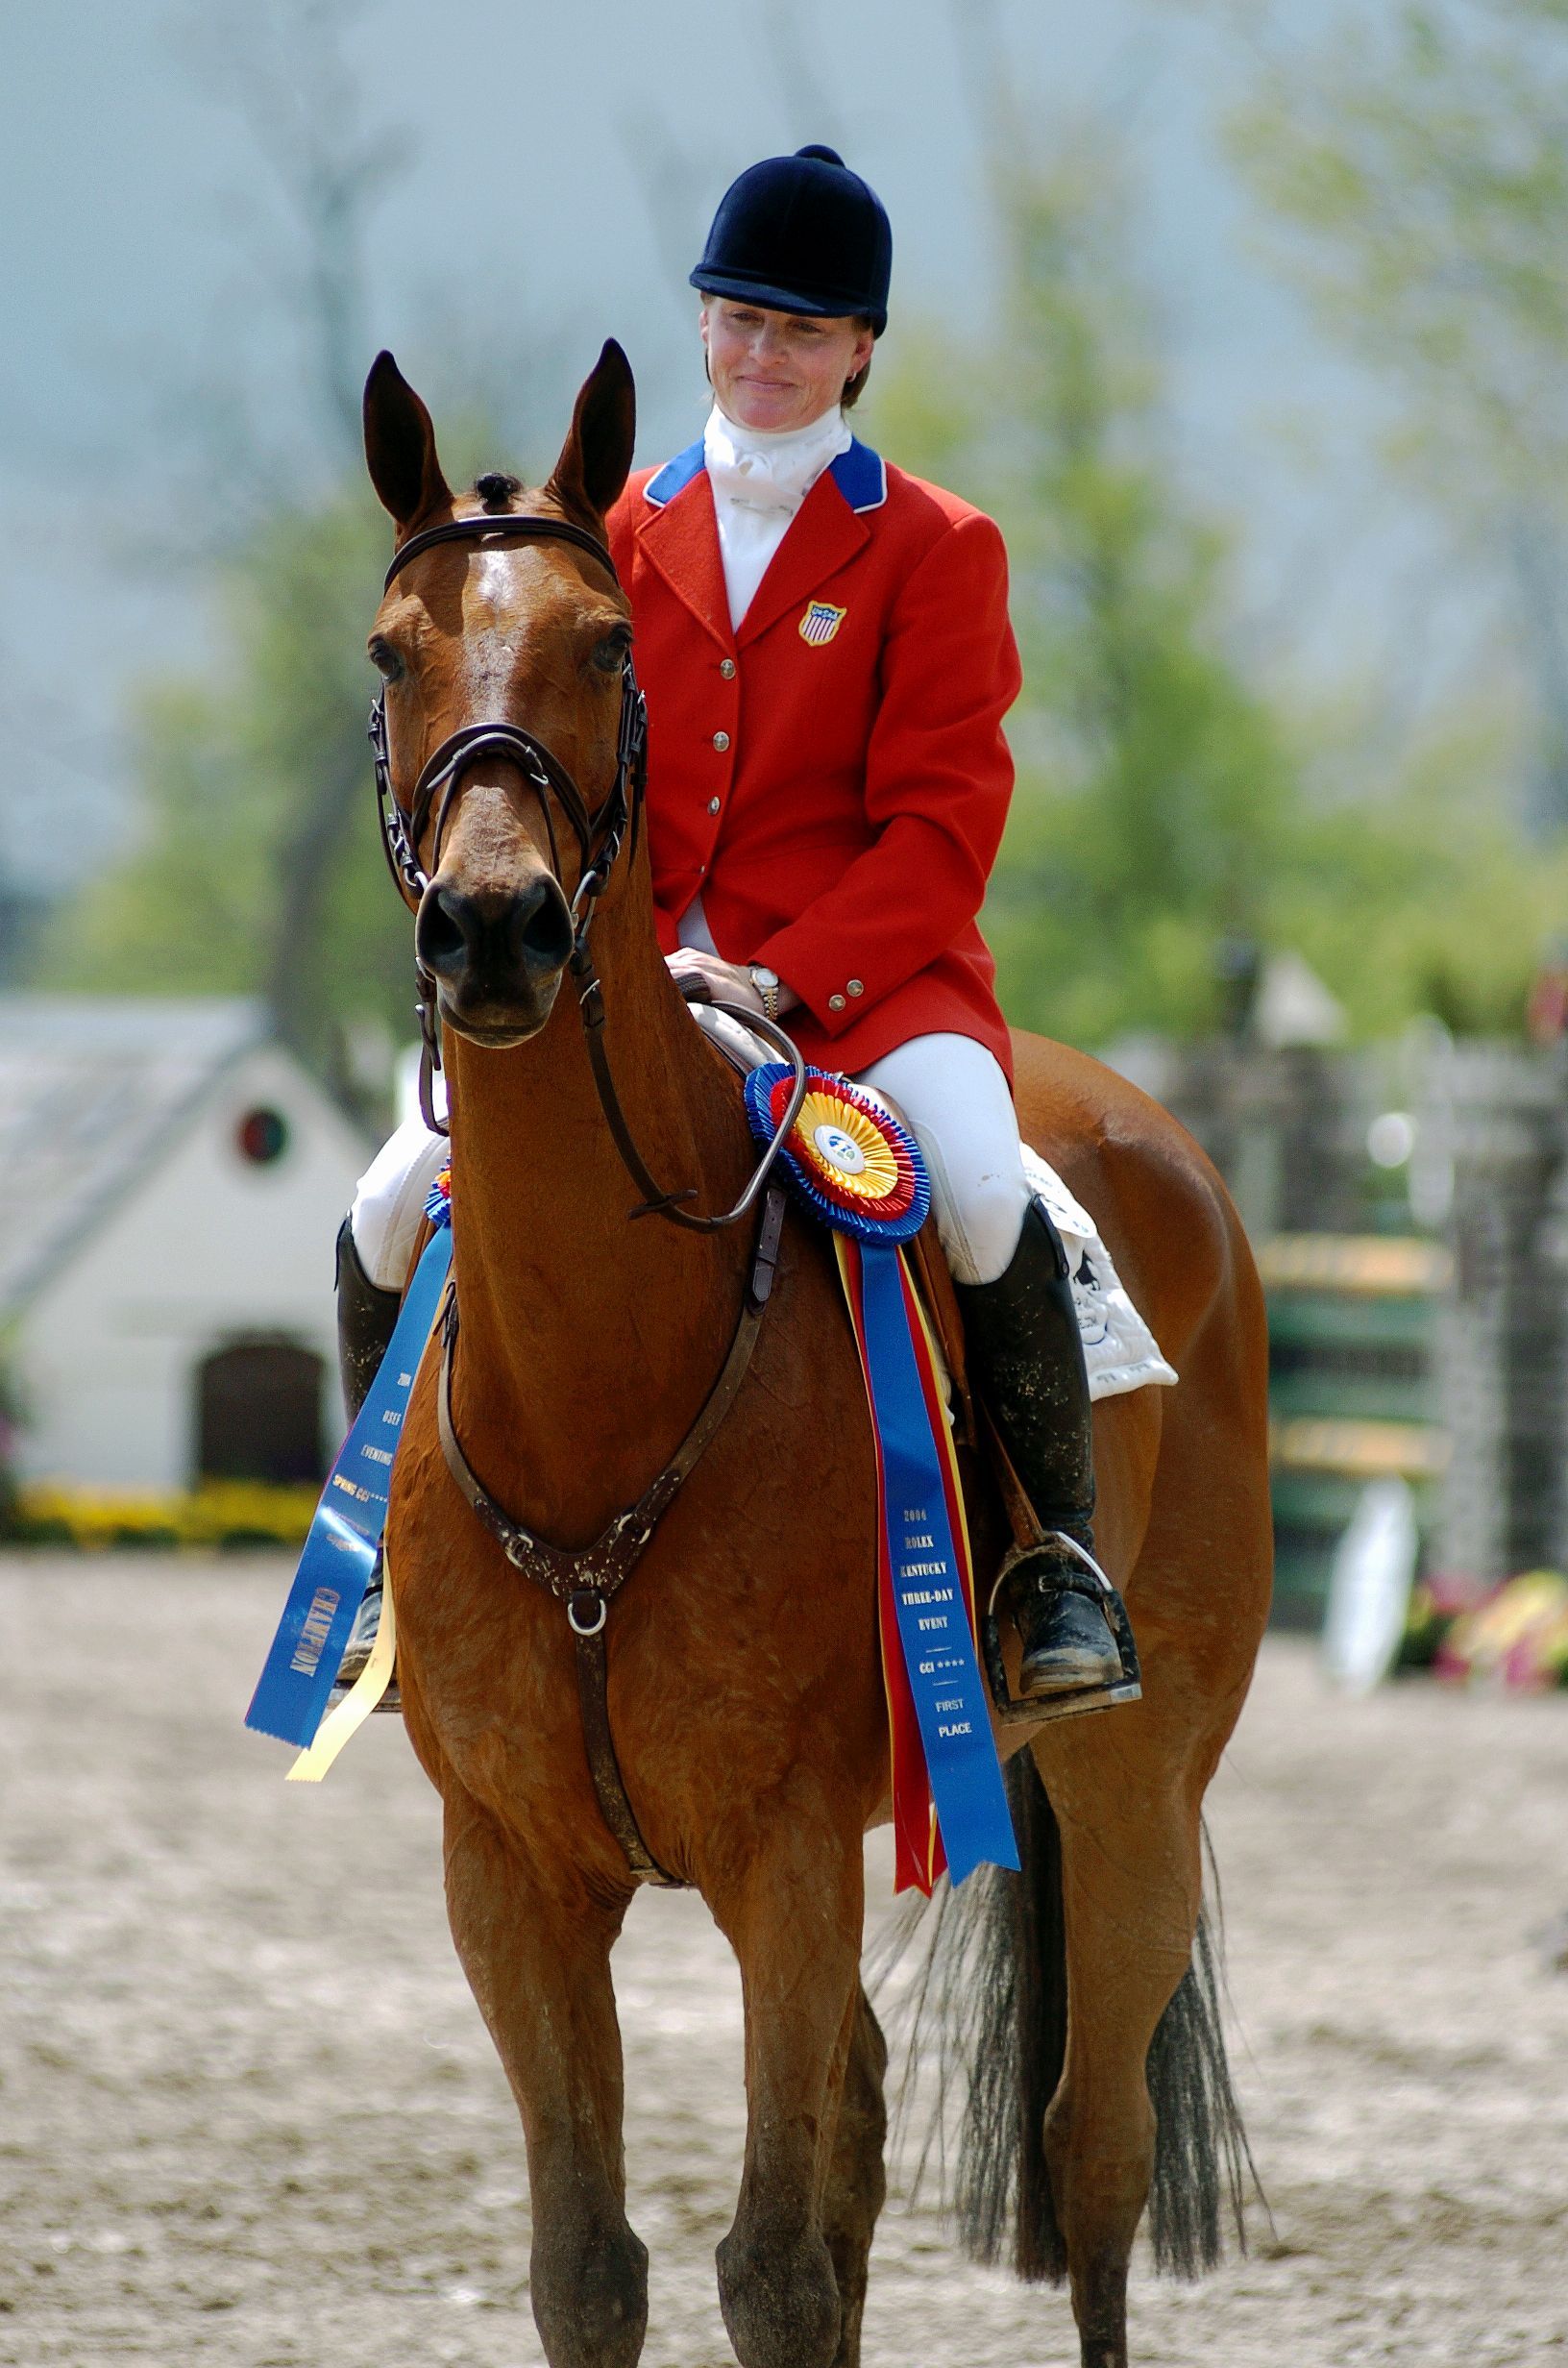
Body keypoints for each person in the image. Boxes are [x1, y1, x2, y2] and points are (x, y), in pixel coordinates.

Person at [340, 144, 1132, 1701]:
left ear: (861, 349)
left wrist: (779, 968)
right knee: (379, 1208)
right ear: (702, 323)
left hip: (866, 987)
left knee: (984, 1190)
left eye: (805, 330)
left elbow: (941, 830)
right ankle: (377, 1557)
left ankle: (1056, 1566)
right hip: (624, 982)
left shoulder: (936, 545)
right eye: (742, 319)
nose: (767, 354)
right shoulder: (605, 534)